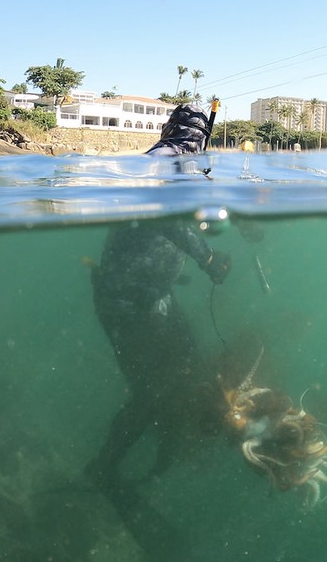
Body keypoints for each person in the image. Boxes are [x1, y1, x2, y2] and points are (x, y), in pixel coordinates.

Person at [85, 104, 231, 494]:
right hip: (126, 303)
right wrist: (207, 258)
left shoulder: (185, 163)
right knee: (151, 392)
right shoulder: (166, 157)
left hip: (154, 299)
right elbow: (164, 216)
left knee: (189, 370)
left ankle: (155, 460)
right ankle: (103, 466)